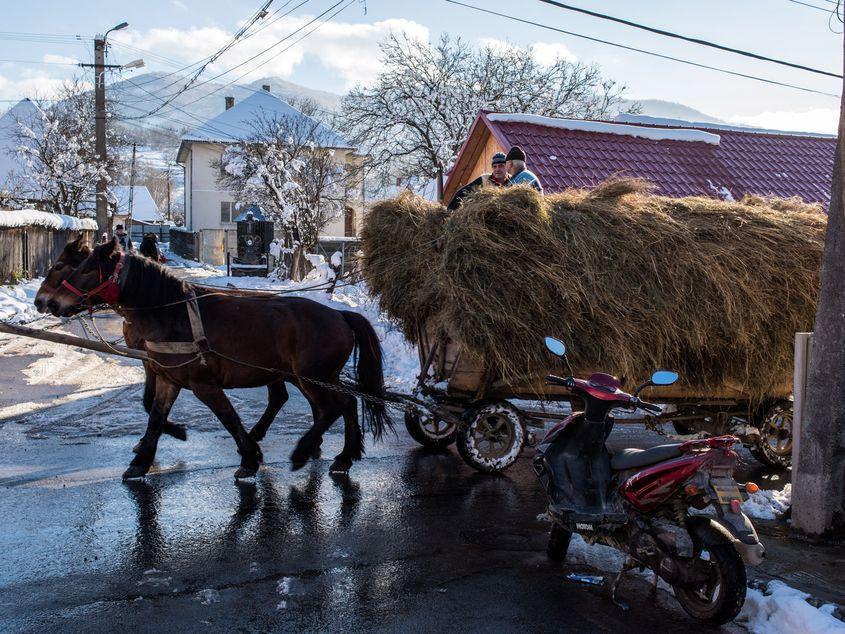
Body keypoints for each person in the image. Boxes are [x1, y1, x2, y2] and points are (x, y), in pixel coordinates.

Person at [447, 151, 511, 211]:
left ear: (507, 166)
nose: (497, 169)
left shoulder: (513, 181)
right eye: (494, 166)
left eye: (501, 166)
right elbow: (462, 193)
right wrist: (450, 211)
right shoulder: (484, 179)